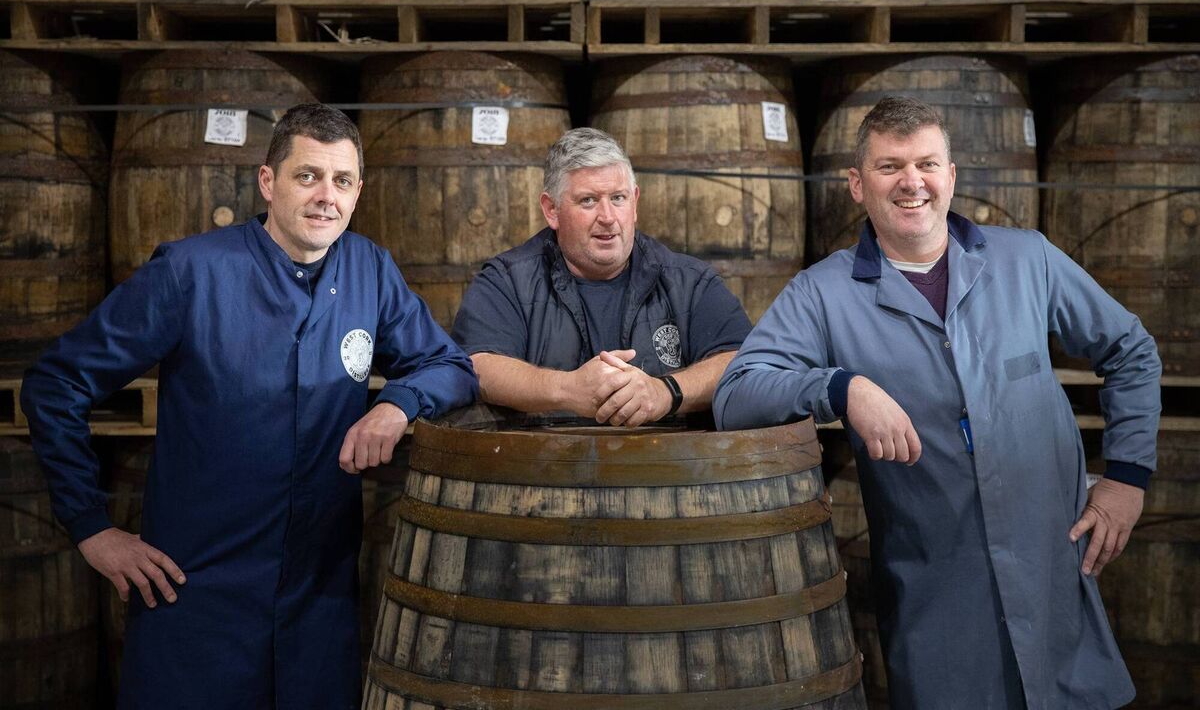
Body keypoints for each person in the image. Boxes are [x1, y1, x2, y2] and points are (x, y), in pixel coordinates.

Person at [21, 103, 478, 709]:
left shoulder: (371, 271)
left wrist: (396, 403)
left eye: (341, 181)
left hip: (318, 604)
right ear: (268, 182)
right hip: (197, 601)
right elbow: (56, 384)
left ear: (359, 191)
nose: (326, 197)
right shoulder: (190, 273)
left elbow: (449, 366)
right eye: (307, 176)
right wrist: (91, 528)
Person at [713, 96, 1161, 709]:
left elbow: (1130, 349)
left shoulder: (1026, 260)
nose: (911, 182)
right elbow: (738, 392)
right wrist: (841, 387)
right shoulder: (824, 294)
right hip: (939, 605)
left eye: (927, 163)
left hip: (1054, 587)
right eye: (889, 166)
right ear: (856, 184)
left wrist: (1128, 478)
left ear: (951, 176)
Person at [452, 127, 751, 425]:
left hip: (667, 468)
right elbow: (478, 365)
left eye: (618, 198)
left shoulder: (689, 281)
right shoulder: (508, 281)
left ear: (634, 202)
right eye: (588, 201)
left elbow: (743, 360)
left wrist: (666, 391)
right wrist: (566, 390)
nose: (607, 217)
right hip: (543, 467)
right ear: (552, 210)